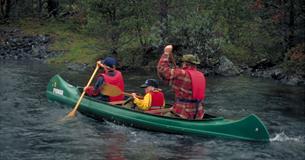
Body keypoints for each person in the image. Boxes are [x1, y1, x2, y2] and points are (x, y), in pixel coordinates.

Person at [157, 45, 206, 119]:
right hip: (198, 112)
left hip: (183, 113)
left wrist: (166, 53)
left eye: (182, 63)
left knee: (162, 117)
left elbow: (162, 69)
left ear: (185, 64)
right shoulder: (201, 75)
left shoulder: (181, 73)